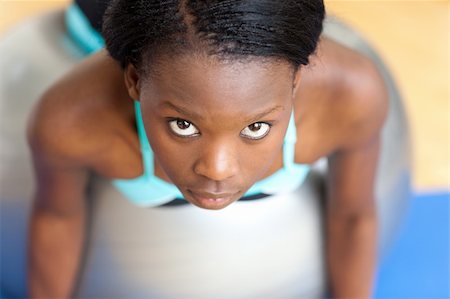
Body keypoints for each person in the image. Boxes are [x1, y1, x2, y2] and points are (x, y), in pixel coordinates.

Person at [27, 0, 388, 298]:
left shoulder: (353, 96)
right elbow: (57, 216)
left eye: (256, 127)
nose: (217, 170)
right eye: (183, 125)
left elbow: (354, 214)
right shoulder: (70, 121)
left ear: (295, 83)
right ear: (134, 80)